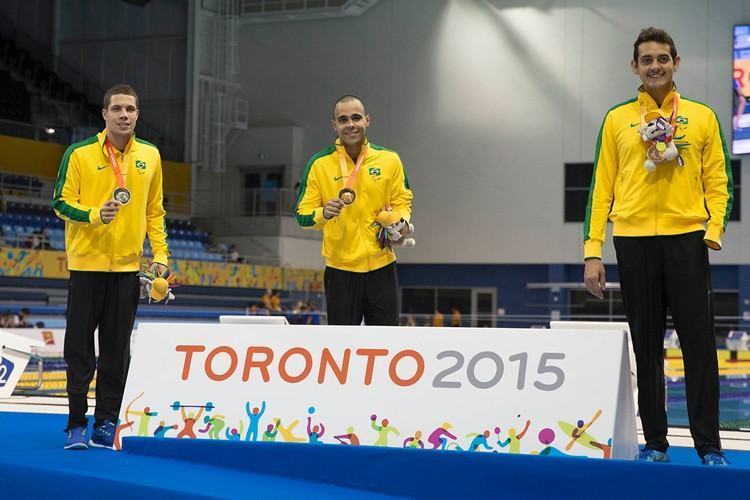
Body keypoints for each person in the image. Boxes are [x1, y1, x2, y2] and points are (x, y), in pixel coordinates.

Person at [583, 28, 732, 466]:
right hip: (633, 242)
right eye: (646, 59)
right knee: (646, 346)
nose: (655, 66)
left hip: (687, 240)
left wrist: (713, 230)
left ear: (676, 62)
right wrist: (594, 249)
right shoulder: (616, 120)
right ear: (635, 66)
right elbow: (601, 188)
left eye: (662, 58)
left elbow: (719, 183)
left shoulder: (702, 116)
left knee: (699, 344)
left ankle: (709, 446)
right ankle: (656, 443)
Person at [52, 83, 169, 451]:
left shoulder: (150, 155)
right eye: (117, 108)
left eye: (130, 109)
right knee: (79, 349)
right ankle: (75, 423)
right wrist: (93, 214)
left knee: (117, 351)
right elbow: (60, 203)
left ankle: (106, 422)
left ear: (137, 113)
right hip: (86, 267)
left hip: (126, 270)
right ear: (104, 113)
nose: (124, 115)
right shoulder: (80, 153)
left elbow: (155, 212)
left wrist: (161, 257)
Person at [295, 95, 413, 325]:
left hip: (382, 265)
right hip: (341, 270)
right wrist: (323, 213)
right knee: (342, 345)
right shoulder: (319, 164)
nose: (350, 124)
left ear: (367, 120)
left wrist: (401, 222)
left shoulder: (390, 160)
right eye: (343, 119)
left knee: (385, 342)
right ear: (334, 125)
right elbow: (302, 214)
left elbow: (403, 198)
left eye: (356, 118)